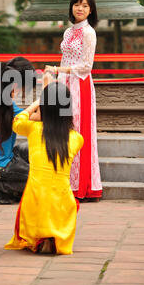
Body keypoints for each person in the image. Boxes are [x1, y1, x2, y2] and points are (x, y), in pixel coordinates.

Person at [5, 80, 84, 255]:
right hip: (63, 203)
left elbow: (17, 121)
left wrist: (35, 105)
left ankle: (40, 235)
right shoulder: (77, 139)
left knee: (35, 196)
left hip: (36, 199)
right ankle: (53, 235)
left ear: (43, 108)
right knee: (60, 199)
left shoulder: (33, 128)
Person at [45, 0, 102, 202]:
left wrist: (60, 71)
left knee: (78, 131)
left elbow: (87, 66)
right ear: (71, 6)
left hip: (80, 84)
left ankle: (83, 186)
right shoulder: (68, 32)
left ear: (91, 10)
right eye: (77, 4)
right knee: (62, 129)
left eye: (85, 6)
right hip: (63, 83)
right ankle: (65, 183)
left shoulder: (89, 33)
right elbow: (65, 58)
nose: (80, 9)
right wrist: (57, 77)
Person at [0, 57, 37, 204]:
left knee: (30, 150)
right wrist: (43, 99)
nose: (22, 92)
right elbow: (35, 116)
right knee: (38, 180)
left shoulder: (4, 105)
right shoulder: (1, 107)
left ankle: (8, 189)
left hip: (4, 160)